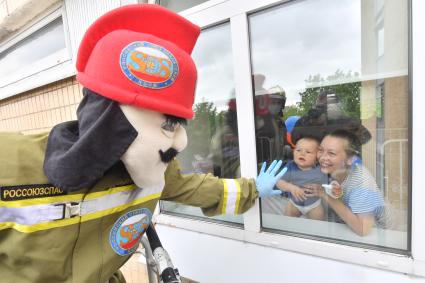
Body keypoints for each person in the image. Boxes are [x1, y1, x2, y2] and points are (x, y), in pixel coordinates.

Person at [0, 4, 286, 283]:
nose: (182, 142)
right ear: (108, 122)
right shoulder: (11, 165)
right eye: (168, 125)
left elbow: (197, 188)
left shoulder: (156, 177)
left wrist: (252, 189)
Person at [304, 129, 387, 236]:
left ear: (350, 159)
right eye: (320, 150)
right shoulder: (334, 170)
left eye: (331, 153)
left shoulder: (362, 183)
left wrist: (325, 195)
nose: (323, 158)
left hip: (382, 233)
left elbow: (363, 230)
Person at [275, 136, 328, 220]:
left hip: (313, 205)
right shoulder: (291, 166)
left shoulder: (320, 169)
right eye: (298, 150)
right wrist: (291, 188)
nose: (302, 154)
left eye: (308, 152)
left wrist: (322, 189)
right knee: (287, 219)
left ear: (317, 158)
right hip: (295, 203)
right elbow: (278, 182)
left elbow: (326, 186)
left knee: (319, 223)